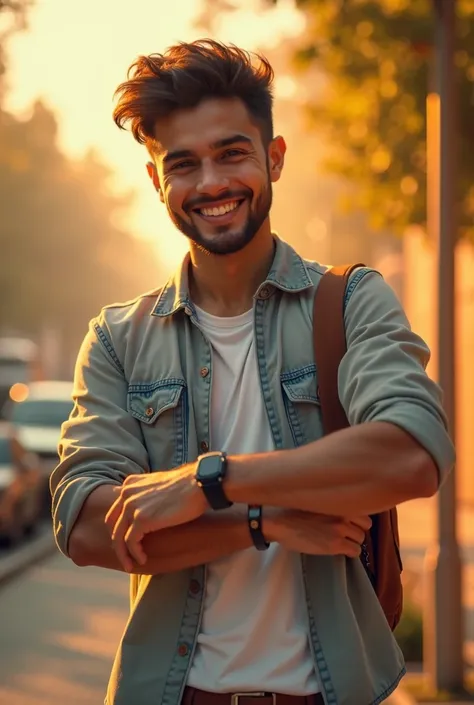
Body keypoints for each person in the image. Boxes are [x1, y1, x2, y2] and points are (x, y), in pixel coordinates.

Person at [51, 39, 455, 705]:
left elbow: (412, 453)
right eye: (183, 164)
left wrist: (209, 479)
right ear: (157, 183)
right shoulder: (118, 338)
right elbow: (87, 524)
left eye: (231, 153)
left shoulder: (350, 302)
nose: (210, 183)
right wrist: (259, 521)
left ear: (274, 157)